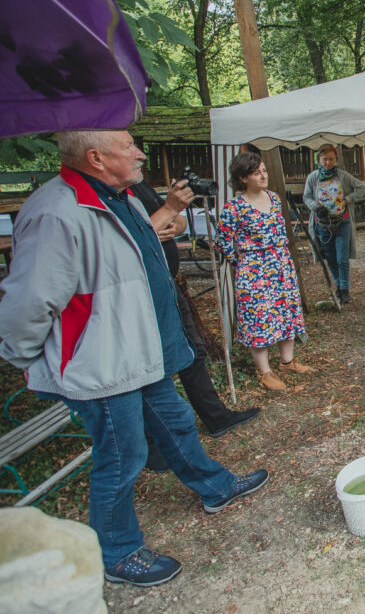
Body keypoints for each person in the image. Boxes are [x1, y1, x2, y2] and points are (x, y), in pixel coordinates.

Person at [0, 130, 268, 587]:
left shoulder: (116, 196)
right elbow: (27, 304)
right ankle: (117, 552)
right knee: (123, 455)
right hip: (101, 363)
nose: (140, 152)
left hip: (142, 349)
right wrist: (36, 358)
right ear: (96, 157)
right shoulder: (56, 213)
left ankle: (215, 488)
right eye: (128, 146)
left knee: (178, 422)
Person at [129, 178, 260, 442]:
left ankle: (216, 416)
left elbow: (177, 221)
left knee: (192, 351)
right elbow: (125, 242)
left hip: (166, 282)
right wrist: (161, 220)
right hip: (137, 291)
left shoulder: (139, 185)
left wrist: (174, 222)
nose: (139, 154)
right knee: (152, 364)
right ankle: (154, 442)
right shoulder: (108, 196)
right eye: (128, 146)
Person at [215, 152, 312, 391]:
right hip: (253, 269)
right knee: (259, 317)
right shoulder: (234, 207)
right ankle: (265, 372)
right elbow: (223, 241)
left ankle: (287, 361)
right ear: (242, 177)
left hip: (280, 262)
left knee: (286, 310)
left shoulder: (274, 198)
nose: (263, 175)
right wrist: (242, 263)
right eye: (257, 172)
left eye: (264, 170)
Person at [302, 144, 365, 304]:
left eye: (331, 159)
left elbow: (361, 187)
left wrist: (347, 200)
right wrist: (315, 207)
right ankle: (338, 286)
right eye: (324, 159)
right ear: (319, 160)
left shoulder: (342, 176)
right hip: (322, 223)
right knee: (330, 257)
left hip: (341, 221)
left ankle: (345, 289)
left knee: (342, 257)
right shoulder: (313, 177)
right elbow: (307, 197)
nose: (327, 163)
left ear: (336, 159)